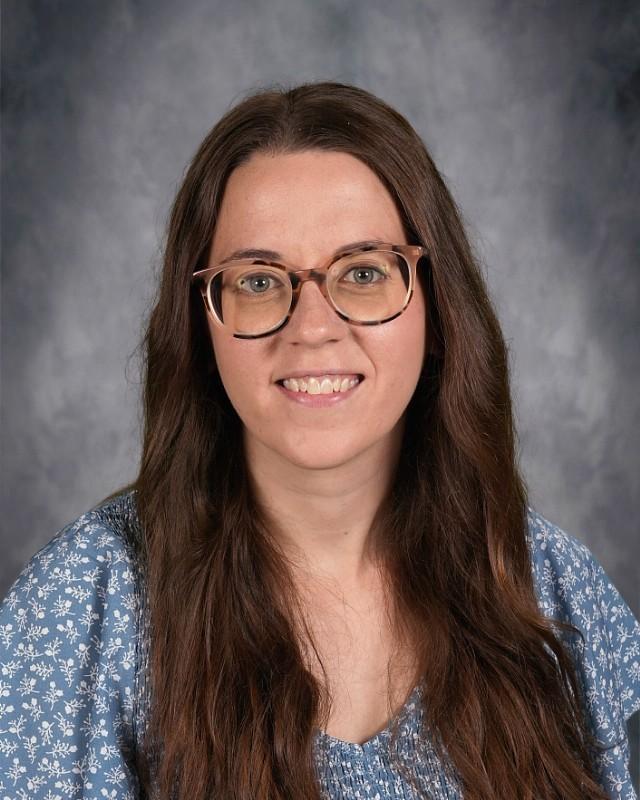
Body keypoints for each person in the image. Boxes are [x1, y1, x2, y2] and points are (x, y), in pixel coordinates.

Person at [0, 81, 638, 800]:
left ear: (437, 305)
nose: (312, 327)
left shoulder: (552, 587)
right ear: (201, 327)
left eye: (363, 273)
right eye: (259, 280)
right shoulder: (80, 609)